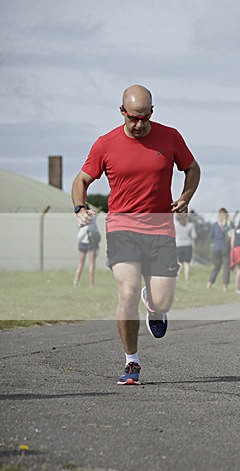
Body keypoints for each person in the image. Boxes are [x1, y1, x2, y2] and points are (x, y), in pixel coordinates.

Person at [71, 84, 200, 385]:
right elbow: (82, 179)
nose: (139, 124)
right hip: (122, 227)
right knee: (126, 293)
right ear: (122, 113)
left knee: (163, 302)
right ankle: (132, 362)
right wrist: (80, 206)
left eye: (144, 117)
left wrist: (185, 197)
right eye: (133, 118)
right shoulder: (105, 144)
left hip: (161, 228)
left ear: (152, 113)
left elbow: (192, 169)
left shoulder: (170, 137)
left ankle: (154, 305)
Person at [207, 208, 232, 291]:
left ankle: (209, 284)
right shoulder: (229, 224)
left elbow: (210, 236)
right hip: (225, 247)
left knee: (216, 267)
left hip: (216, 247)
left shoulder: (214, 225)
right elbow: (231, 234)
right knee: (226, 267)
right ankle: (225, 286)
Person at [74, 215, 101, 287]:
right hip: (91, 244)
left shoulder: (83, 222)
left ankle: (76, 282)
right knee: (92, 264)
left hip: (83, 244)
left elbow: (79, 236)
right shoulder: (93, 221)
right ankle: (92, 284)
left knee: (80, 264)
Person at [174, 212, 196, 282]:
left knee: (179, 263)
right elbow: (194, 236)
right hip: (188, 245)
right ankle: (187, 279)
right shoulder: (190, 225)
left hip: (179, 245)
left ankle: (177, 277)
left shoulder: (176, 225)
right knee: (187, 263)